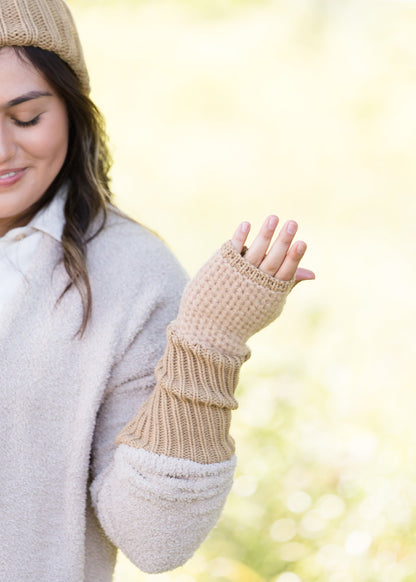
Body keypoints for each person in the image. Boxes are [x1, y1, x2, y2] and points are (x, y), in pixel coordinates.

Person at [0, 0, 315, 580]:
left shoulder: (132, 277)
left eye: (25, 117)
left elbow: (156, 539)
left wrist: (208, 343)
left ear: (72, 110)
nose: (0, 150)